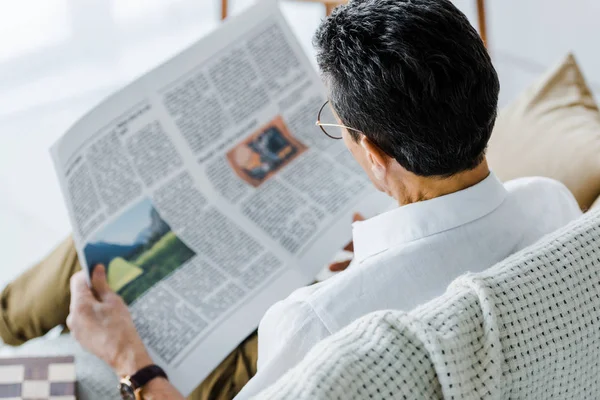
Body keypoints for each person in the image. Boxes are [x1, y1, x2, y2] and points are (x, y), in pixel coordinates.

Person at [1, 0, 583, 398]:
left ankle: (15, 321)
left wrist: (129, 358)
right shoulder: (554, 207)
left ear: (375, 154)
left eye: (338, 125)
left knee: (91, 270)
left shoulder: (313, 322)